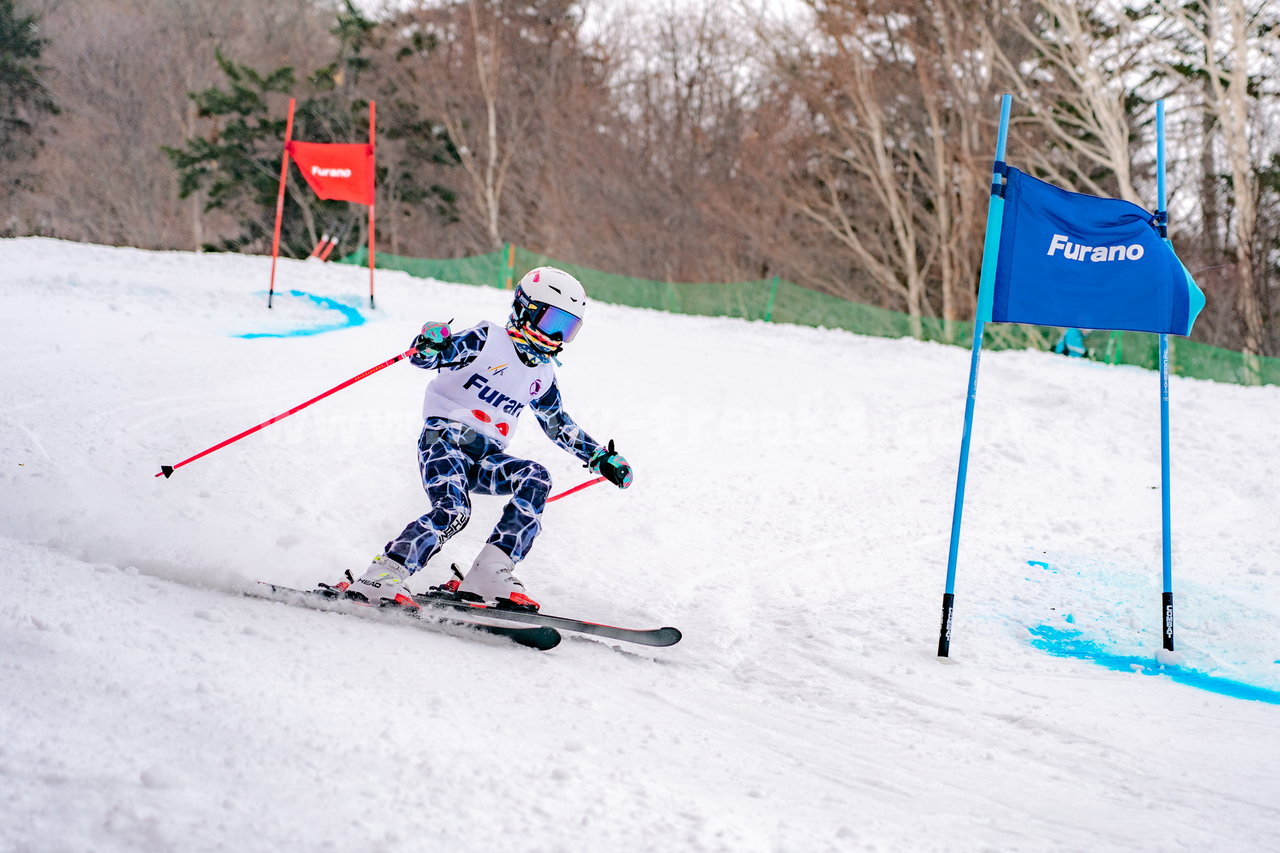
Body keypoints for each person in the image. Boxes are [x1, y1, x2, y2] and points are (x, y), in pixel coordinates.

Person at [335, 266, 632, 612]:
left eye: (568, 329)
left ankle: (490, 571)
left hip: (486, 456)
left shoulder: (542, 373)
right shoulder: (487, 340)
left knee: (535, 477)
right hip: (444, 441)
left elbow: (557, 423)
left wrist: (599, 458)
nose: (556, 337)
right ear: (526, 310)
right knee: (454, 510)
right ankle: (382, 574)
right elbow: (430, 357)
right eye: (552, 322)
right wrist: (430, 342)